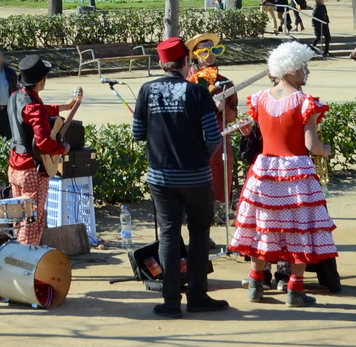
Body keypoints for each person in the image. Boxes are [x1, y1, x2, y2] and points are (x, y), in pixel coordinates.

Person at [231, 41, 336, 307]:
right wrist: (326, 150)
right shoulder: (305, 103)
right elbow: (312, 146)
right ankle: (295, 290)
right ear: (289, 69)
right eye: (303, 67)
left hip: (265, 169)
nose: (306, 72)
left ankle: (255, 283)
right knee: (299, 230)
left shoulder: (258, 99)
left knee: (263, 227)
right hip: (295, 171)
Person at [131, 37, 229, 319]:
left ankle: (171, 300)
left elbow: (137, 133)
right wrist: (201, 155)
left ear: (163, 64)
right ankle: (197, 296)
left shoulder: (146, 90)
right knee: (199, 234)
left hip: (160, 177)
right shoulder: (198, 93)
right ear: (186, 63)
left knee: (168, 235)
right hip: (196, 176)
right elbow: (214, 138)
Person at [6, 54, 81, 246]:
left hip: (15, 166)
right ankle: (26, 261)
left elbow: (36, 110)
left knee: (18, 215)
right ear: (41, 80)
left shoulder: (15, 97)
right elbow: (43, 144)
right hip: (32, 169)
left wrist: (63, 107)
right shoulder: (34, 108)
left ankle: (16, 254)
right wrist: (62, 149)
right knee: (33, 219)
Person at [186, 33, 238, 206]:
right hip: (194, 138)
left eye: (213, 50)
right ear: (194, 56)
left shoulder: (226, 83)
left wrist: (224, 108)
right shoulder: (187, 82)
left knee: (220, 174)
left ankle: (220, 211)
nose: (210, 55)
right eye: (203, 52)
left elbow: (232, 116)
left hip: (220, 138)